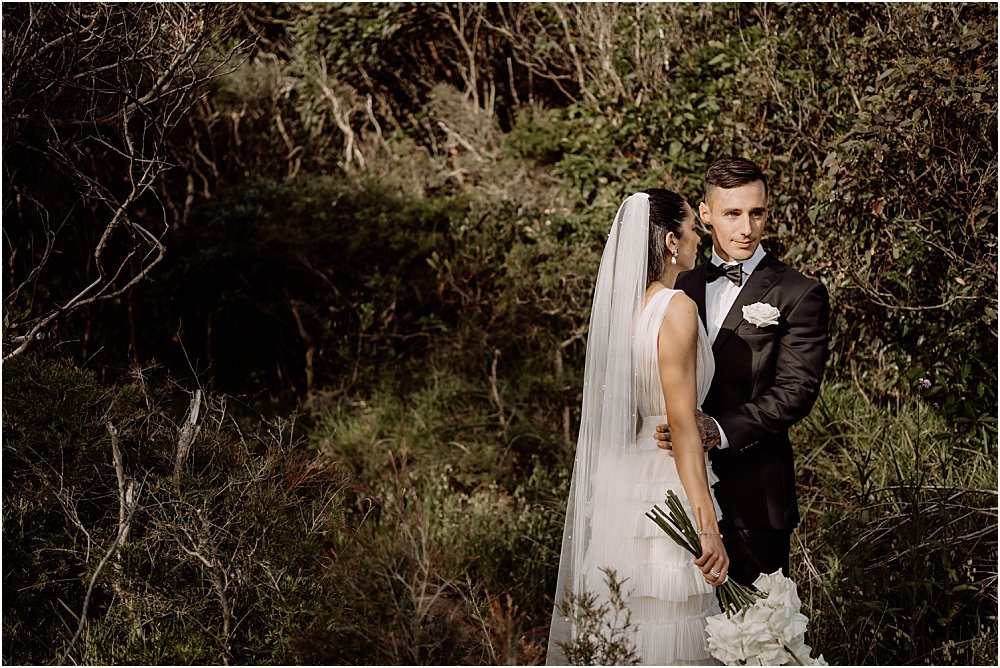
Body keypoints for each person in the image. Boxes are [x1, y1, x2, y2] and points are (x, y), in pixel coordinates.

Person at [547, 189, 729, 665]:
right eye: (693, 228)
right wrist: (707, 527)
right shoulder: (677, 308)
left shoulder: (621, 315)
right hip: (665, 482)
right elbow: (683, 428)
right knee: (670, 624)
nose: (698, 238)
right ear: (671, 242)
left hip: (619, 491)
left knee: (623, 623)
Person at [655, 157, 830, 586]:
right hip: (670, 491)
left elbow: (796, 391)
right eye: (733, 213)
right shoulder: (676, 285)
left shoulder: (799, 292)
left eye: (757, 212)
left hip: (754, 497)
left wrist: (718, 428)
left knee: (757, 639)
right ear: (707, 213)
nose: (747, 228)